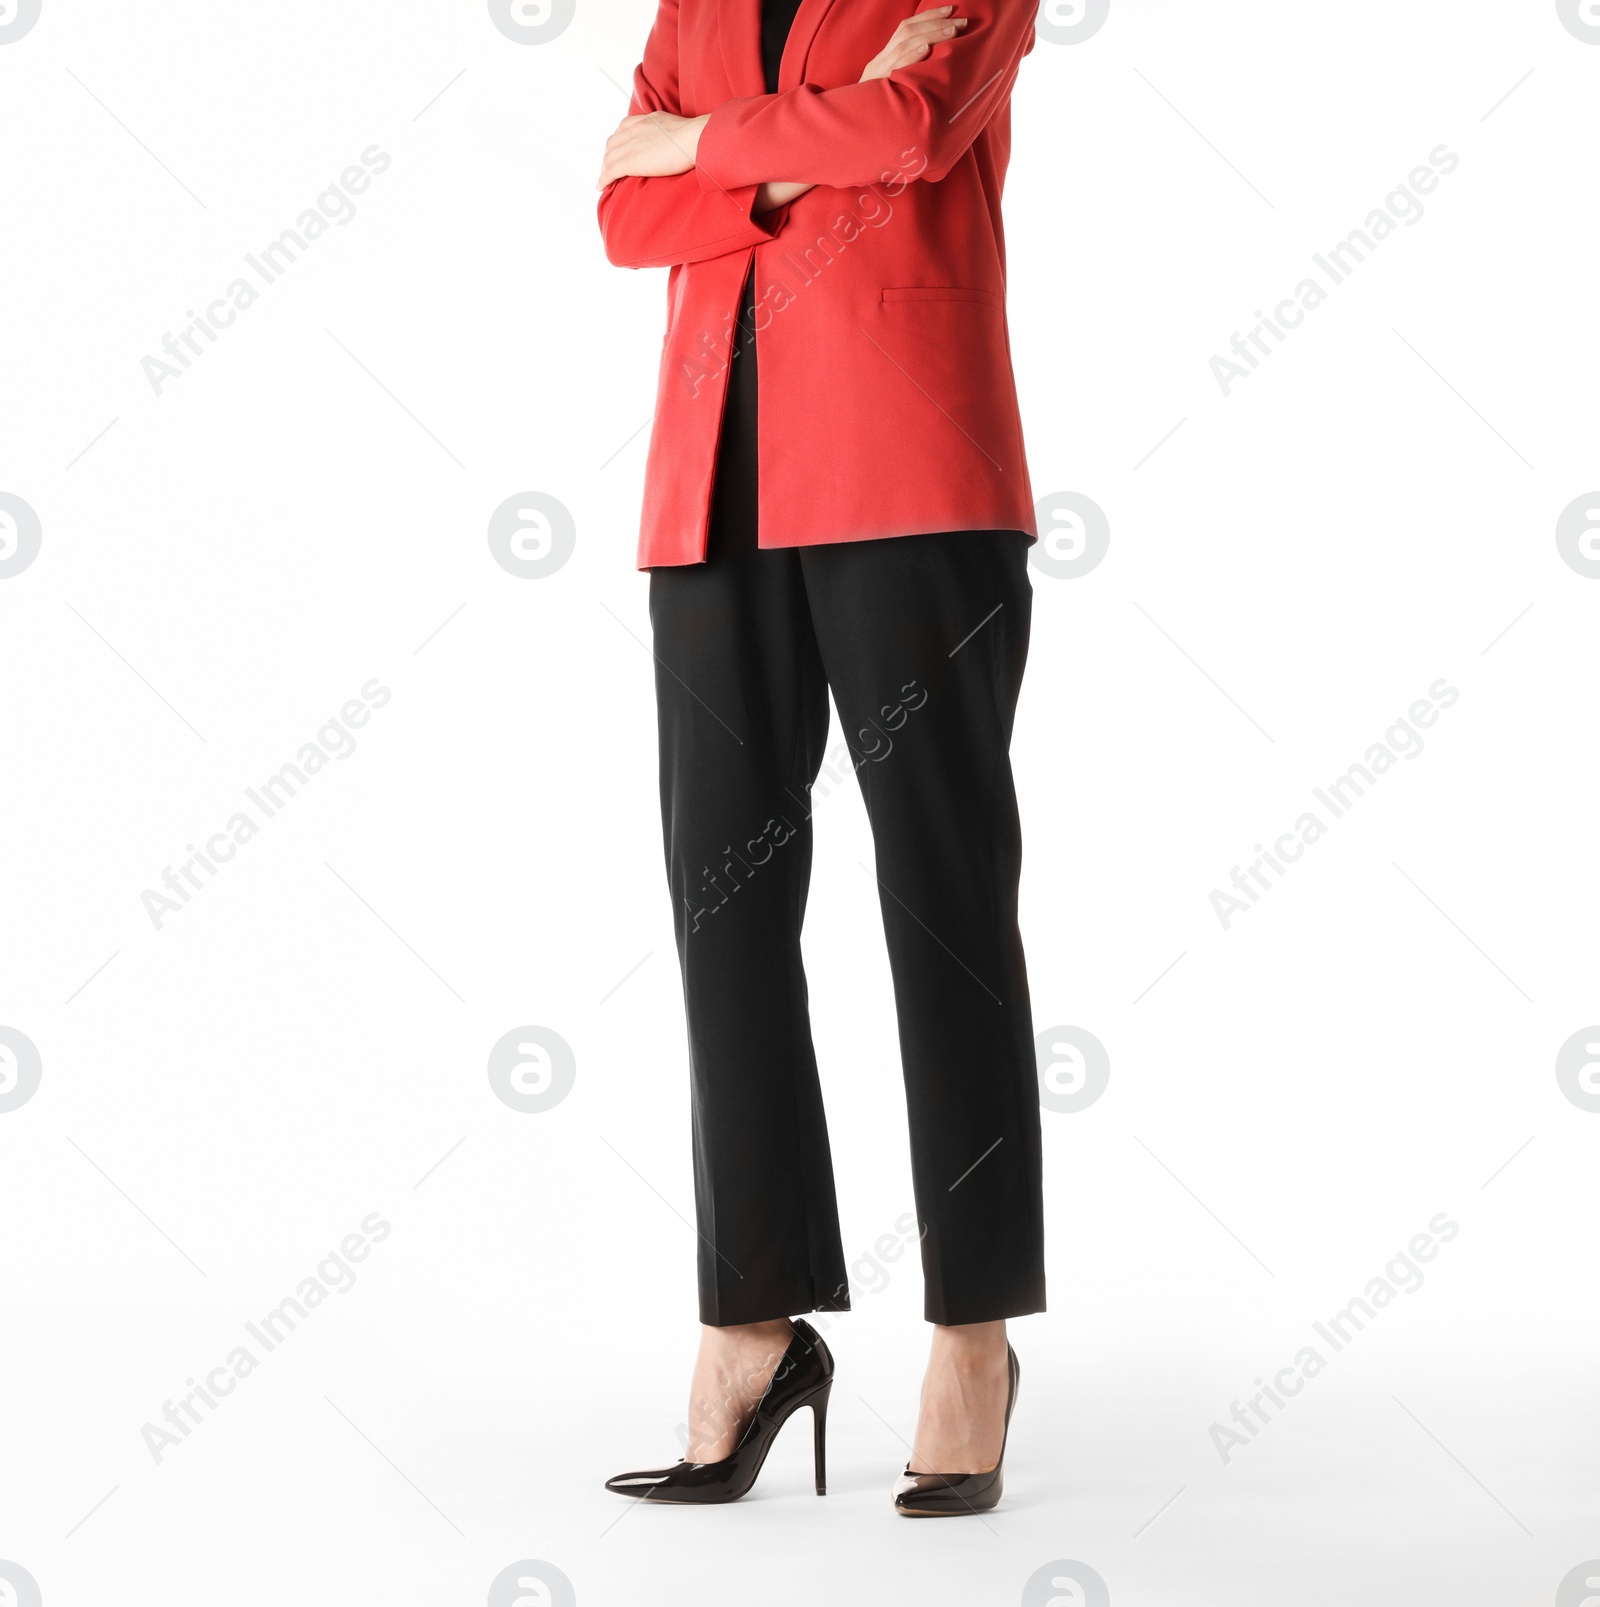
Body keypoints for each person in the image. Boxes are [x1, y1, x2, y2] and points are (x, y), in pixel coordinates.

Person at [596, 0, 1043, 1516]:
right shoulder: (692, 5)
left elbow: (913, 128)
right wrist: (800, 151)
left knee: (945, 903)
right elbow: (620, 209)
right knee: (723, 914)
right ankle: (751, 1328)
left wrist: (709, 156)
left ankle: (971, 1334)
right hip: (709, 489)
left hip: (910, 472)